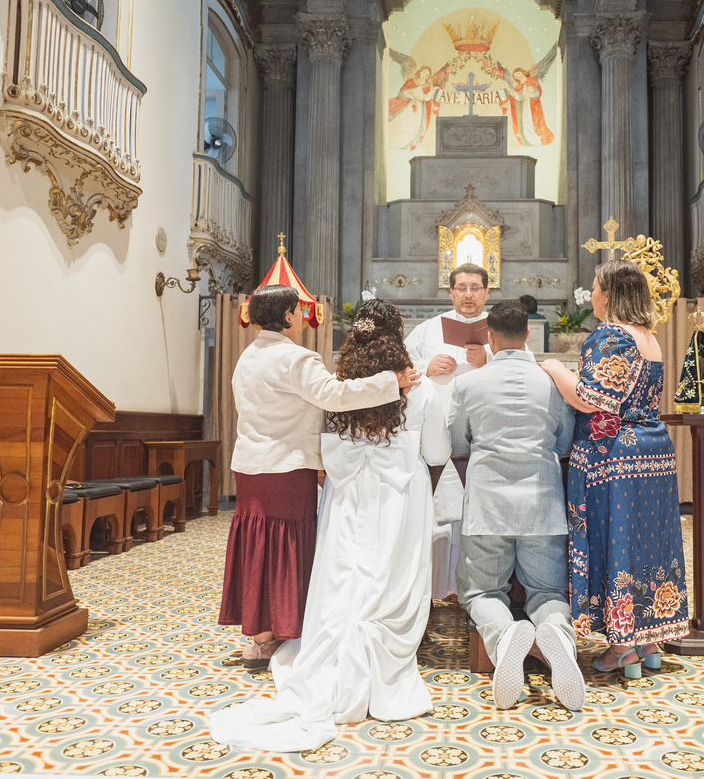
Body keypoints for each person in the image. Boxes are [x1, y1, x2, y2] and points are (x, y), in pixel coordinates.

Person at [211, 300, 450, 752]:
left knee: (342, 569)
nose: (303, 318)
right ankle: (379, 644)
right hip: (398, 495)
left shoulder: (301, 370)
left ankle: (273, 635)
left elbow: (330, 424)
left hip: (344, 494)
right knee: (387, 569)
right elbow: (437, 453)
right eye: (298, 312)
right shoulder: (414, 387)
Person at [219, 285, 420, 669]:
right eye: (298, 310)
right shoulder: (297, 357)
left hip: (249, 464)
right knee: (282, 547)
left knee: (257, 546)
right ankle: (276, 632)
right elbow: (334, 396)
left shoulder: (247, 356)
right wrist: (391, 382)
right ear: (290, 316)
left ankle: (258, 637)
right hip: (285, 464)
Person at [540, 260, 689, 679]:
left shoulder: (610, 335)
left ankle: (621, 648)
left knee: (616, 539)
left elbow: (591, 398)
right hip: (654, 451)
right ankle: (651, 642)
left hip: (615, 456)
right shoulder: (649, 338)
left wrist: (554, 368)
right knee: (650, 543)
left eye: (594, 288)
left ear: (611, 294)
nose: (590, 295)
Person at [448, 301, 584, 711]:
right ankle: (557, 635)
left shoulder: (470, 384)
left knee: (481, 591)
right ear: (529, 335)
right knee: (546, 590)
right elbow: (563, 442)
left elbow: (457, 444)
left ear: (489, 337)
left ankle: (504, 634)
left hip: (488, 504)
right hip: (542, 503)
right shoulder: (550, 382)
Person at [404, 262, 493, 599]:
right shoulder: (428, 330)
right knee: (440, 514)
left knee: (476, 515)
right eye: (461, 288)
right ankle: (440, 587)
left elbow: (522, 369)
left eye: (474, 288)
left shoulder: (500, 331)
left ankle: (475, 589)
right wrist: (426, 366)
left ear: (486, 291)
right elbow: (399, 366)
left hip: (484, 440)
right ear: (451, 292)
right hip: (439, 439)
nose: (468, 294)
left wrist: (490, 361)